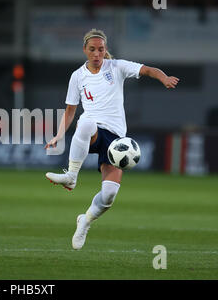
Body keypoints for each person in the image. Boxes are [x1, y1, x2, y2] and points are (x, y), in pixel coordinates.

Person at [45, 29, 179, 250]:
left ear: (105, 50)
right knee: (86, 122)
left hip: (116, 141)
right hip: (93, 132)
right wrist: (60, 134)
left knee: (108, 196)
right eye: (92, 49)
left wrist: (163, 77)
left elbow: (147, 70)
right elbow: (70, 111)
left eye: (101, 49)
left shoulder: (116, 67)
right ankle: (71, 176)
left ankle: (85, 221)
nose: (97, 53)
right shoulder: (77, 76)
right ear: (85, 51)